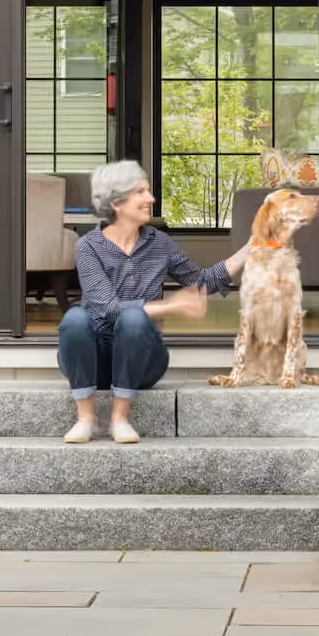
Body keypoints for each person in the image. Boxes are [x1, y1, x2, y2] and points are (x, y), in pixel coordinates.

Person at [58, 160, 251, 445]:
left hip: (143, 360)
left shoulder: (159, 243)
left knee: (135, 319)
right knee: (75, 319)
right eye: (141, 192)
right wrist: (171, 306)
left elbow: (199, 281)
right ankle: (86, 418)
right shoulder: (87, 246)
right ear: (117, 202)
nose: (151, 198)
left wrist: (250, 248)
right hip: (94, 362)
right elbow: (107, 308)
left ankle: (120, 418)